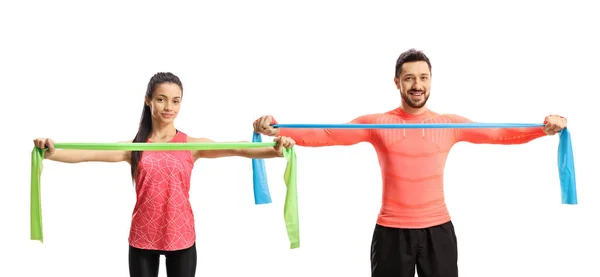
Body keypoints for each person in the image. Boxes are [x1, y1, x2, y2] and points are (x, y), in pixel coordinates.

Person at [252, 49, 567, 277]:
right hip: (391, 233)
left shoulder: (448, 124)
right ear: (397, 82)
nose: (417, 84)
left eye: (424, 78)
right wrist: (276, 128)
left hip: (438, 232)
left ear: (431, 81)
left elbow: (499, 133)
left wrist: (544, 128)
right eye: (410, 78)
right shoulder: (378, 123)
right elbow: (326, 134)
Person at [33, 72, 296, 277]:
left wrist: (276, 149)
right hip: (143, 236)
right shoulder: (134, 148)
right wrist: (49, 151)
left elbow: (240, 149)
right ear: (148, 100)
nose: (168, 107)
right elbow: (85, 155)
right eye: (161, 99)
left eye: (175, 100)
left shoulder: (191, 145)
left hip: (181, 236)